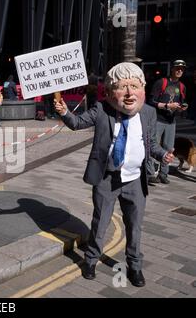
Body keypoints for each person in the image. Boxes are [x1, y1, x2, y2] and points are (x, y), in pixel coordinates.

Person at [54, 62, 174, 287]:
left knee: (134, 225)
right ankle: (90, 261)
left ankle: (135, 266)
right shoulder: (101, 109)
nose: (129, 93)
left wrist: (163, 155)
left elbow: (150, 144)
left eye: (134, 86)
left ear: (143, 89)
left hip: (135, 180)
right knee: (100, 222)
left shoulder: (148, 112)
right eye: (122, 87)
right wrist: (64, 112)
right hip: (107, 178)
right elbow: (77, 123)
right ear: (109, 92)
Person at [147, 60, 188, 185]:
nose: (179, 70)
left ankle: (163, 174)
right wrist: (166, 105)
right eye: (177, 68)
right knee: (152, 146)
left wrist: (182, 108)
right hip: (158, 120)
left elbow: (182, 103)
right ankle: (149, 173)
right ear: (172, 69)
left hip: (171, 122)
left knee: (169, 148)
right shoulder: (161, 82)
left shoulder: (182, 87)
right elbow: (150, 101)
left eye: (182, 69)